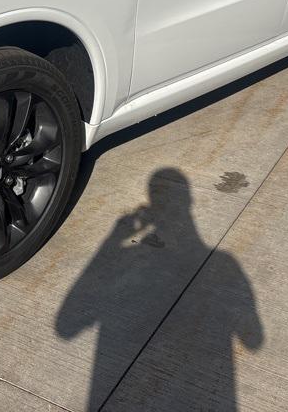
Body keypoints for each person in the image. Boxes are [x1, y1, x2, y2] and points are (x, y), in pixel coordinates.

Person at [56, 168, 263, 411]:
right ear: (190, 203)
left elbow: (66, 326)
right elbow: (254, 340)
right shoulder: (225, 263)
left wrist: (112, 241)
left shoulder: (127, 257)